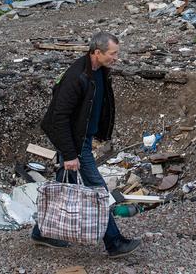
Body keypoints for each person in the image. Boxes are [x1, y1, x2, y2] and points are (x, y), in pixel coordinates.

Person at [30, 31, 141, 258]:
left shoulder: (100, 70)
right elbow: (58, 117)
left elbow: (96, 105)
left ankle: (41, 231)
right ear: (97, 52)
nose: (116, 58)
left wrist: (99, 133)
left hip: (81, 139)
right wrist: (70, 154)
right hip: (74, 143)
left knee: (65, 182)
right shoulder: (76, 76)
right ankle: (114, 243)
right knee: (98, 190)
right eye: (113, 53)